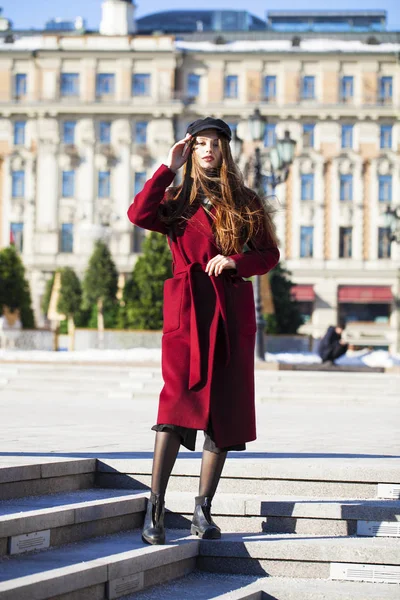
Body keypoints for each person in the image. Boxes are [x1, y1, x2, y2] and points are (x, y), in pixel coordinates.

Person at [127, 117, 280, 545]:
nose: (209, 149)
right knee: (175, 406)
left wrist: (237, 262)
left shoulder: (245, 200)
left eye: (215, 143)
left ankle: (202, 510)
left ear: (225, 150)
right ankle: (154, 508)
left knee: (223, 414)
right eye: (200, 143)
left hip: (230, 309)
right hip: (187, 310)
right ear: (191, 149)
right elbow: (138, 214)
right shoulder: (177, 198)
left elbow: (270, 253)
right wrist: (167, 167)